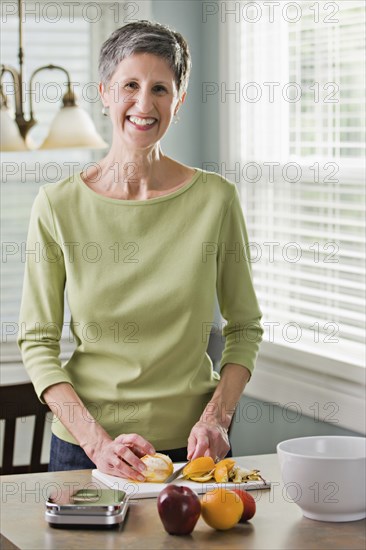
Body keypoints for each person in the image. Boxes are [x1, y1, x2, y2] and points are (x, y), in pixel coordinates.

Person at [18, 20, 263, 481]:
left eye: (160, 89)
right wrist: (97, 442)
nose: (143, 104)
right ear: (105, 92)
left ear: (180, 100)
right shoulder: (57, 205)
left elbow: (245, 327)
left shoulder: (216, 200)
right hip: (86, 450)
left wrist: (217, 417)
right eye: (129, 85)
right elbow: (37, 341)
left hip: (195, 449)